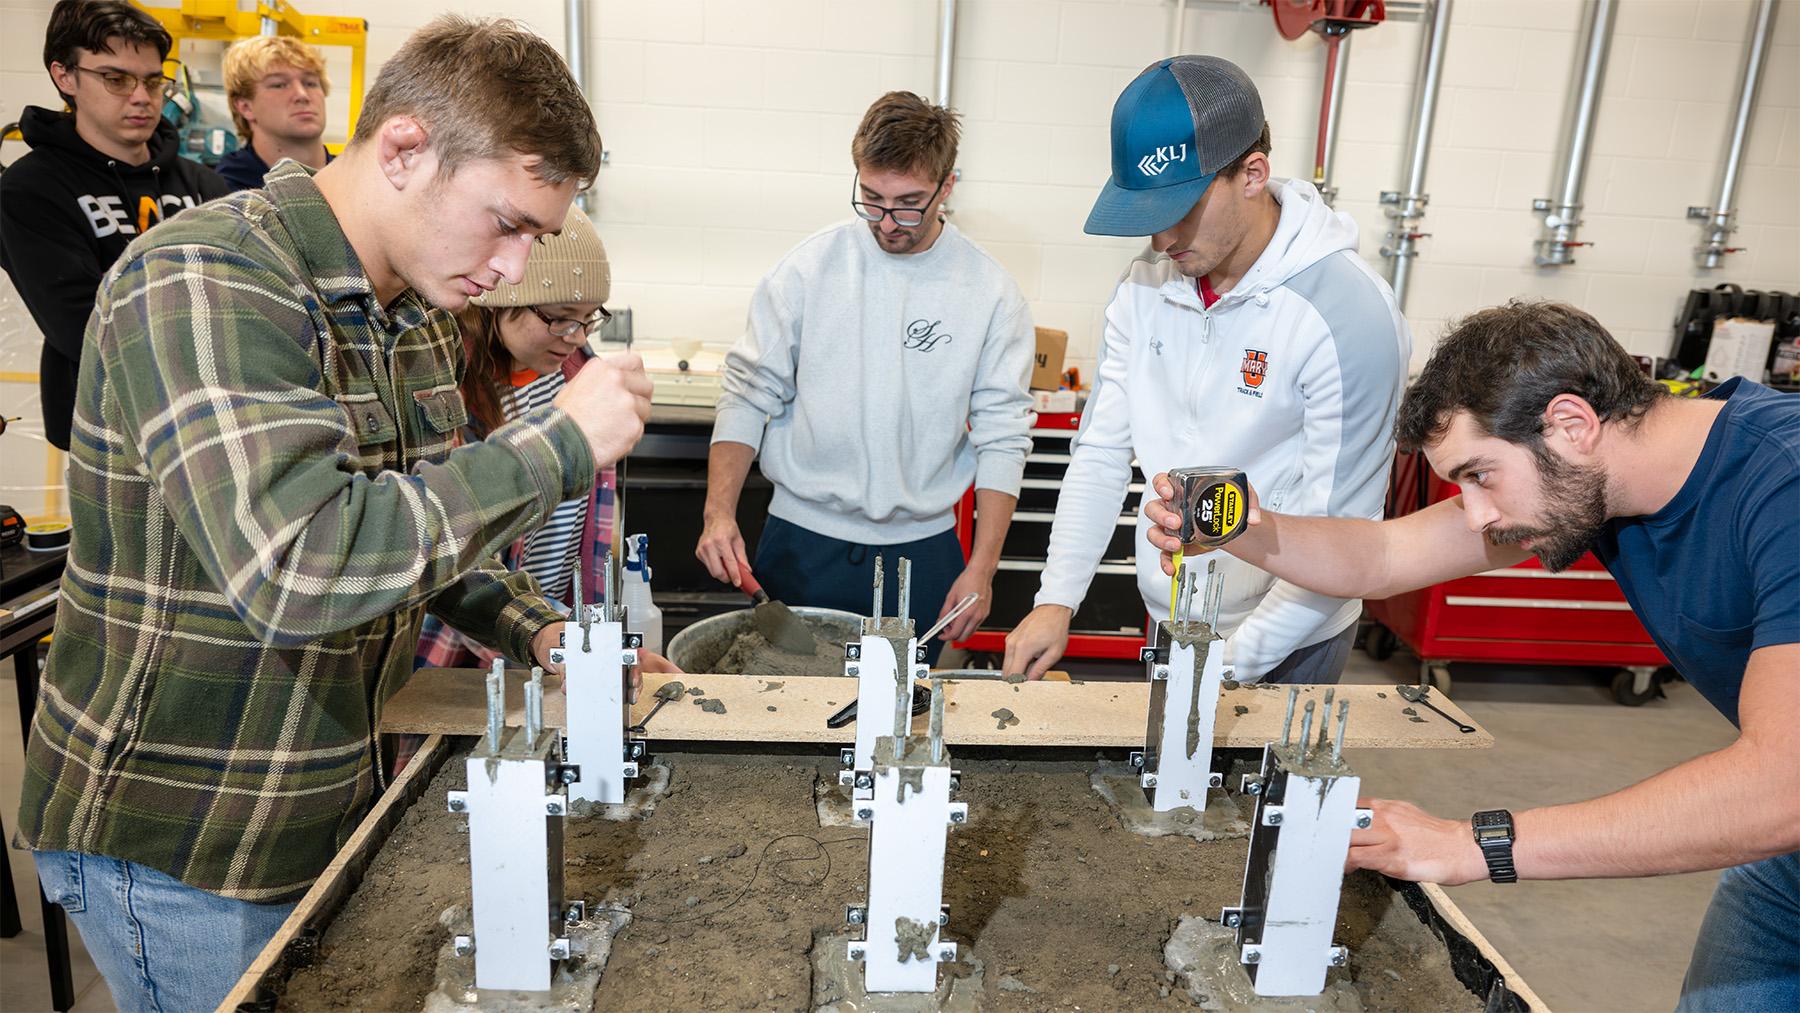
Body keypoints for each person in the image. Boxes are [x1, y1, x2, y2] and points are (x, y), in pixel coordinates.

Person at [15, 17, 652, 1010]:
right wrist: (556, 446)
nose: (519, 268)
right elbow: (300, 565)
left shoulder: (411, 316)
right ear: (403, 148)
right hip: (189, 839)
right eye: (508, 222)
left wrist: (548, 633)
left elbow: (429, 533)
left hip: (323, 797)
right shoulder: (206, 281)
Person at [1145, 300, 1800, 1011]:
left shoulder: (1783, 486)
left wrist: (1470, 845)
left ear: (1572, 424)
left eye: (1480, 475)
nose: (1479, 514)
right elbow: (1384, 555)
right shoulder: (1597, 481)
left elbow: (1780, 785)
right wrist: (1236, 523)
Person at [1003, 55, 1409, 683]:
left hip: (1290, 636)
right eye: (1147, 215)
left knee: (1261, 783)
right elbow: (1102, 451)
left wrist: (1225, 669)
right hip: (1171, 617)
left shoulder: (1347, 315)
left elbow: (1343, 538)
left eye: (1182, 208)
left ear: (1252, 174)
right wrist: (1057, 597)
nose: (1162, 239)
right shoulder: (1146, 284)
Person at [696, 91, 1034, 662]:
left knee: (907, 718)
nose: (887, 222)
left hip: (922, 554)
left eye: (908, 204)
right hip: (801, 544)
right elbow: (749, 392)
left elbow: (1004, 435)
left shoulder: (989, 291)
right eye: (871, 199)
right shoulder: (808, 269)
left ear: (946, 187)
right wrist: (717, 511)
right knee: (787, 715)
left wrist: (982, 567)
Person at [0, 0, 230, 452]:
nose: (141, 96)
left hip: (211, 417)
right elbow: (84, 325)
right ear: (65, 76)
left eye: (151, 80)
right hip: (107, 432)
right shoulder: (29, 190)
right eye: (115, 79)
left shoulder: (204, 183)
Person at [215, 34, 334, 190]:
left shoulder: (356, 179)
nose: (302, 95)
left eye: (310, 83)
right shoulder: (222, 191)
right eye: (279, 85)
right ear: (245, 107)